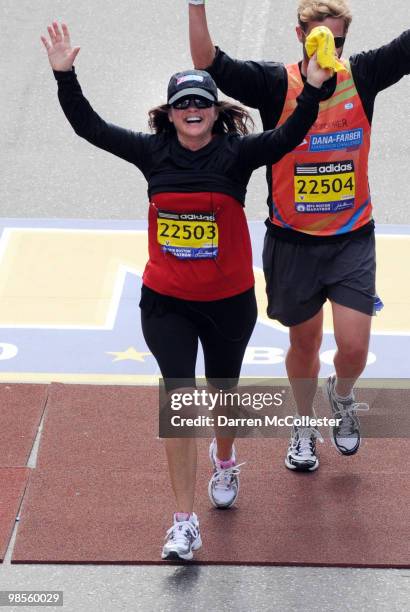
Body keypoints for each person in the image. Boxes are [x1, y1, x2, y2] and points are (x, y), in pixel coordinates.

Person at [41, 21, 330, 560]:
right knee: (178, 400)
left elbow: (291, 136)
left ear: (216, 111)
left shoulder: (237, 154)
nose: (192, 110)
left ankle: (225, 460)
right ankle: (183, 521)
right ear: (170, 112)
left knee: (222, 397)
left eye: (202, 101)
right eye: (183, 103)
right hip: (167, 302)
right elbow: (90, 128)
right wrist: (65, 75)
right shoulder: (152, 154)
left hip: (228, 304)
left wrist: (312, 89)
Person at [189, 0, 410, 471]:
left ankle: (342, 395)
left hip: (351, 238)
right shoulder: (276, 85)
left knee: (353, 348)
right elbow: (209, 63)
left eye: (339, 42)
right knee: (305, 344)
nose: (330, 52)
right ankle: (303, 423)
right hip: (293, 243)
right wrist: (196, 5)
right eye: (319, 42)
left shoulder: (362, 76)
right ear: (300, 36)